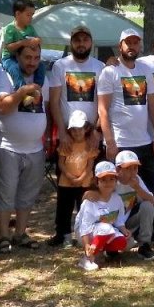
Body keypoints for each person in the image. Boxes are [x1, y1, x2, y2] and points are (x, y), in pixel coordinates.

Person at [48, 23, 106, 245]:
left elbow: (103, 103)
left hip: (90, 134)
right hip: (68, 136)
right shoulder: (59, 66)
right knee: (65, 185)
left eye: (85, 40)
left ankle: (87, 229)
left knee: (88, 184)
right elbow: (54, 101)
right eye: (77, 40)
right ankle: (62, 232)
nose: (81, 44)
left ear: (91, 42)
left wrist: (97, 131)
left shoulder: (100, 67)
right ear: (71, 43)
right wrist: (61, 132)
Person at [0, 43, 52, 252]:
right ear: (17, 57)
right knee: (6, 193)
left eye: (36, 58)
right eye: (28, 57)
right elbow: (1, 107)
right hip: (8, 147)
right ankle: (3, 236)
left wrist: (49, 137)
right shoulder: (4, 76)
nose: (32, 62)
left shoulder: (43, 78)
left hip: (35, 147)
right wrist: (22, 91)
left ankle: (20, 233)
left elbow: (48, 108)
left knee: (27, 194)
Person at [99, 29, 154, 190]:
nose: (132, 46)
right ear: (119, 46)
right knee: (120, 191)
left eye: (135, 43)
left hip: (144, 142)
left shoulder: (145, 70)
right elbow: (103, 110)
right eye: (128, 43)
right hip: (120, 142)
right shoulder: (109, 72)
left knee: (150, 189)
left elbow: (153, 105)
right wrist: (110, 142)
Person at [74, 161, 131, 271]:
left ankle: (99, 251)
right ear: (96, 182)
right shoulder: (91, 200)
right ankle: (87, 258)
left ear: (116, 181)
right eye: (103, 179)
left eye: (111, 179)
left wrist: (124, 231)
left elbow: (118, 220)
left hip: (104, 232)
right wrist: (86, 245)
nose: (108, 183)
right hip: (85, 233)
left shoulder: (117, 198)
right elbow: (84, 226)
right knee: (106, 227)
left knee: (124, 242)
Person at [54, 110, 98, 247]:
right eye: (73, 130)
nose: (77, 133)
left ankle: (83, 235)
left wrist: (81, 178)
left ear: (86, 129)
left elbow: (90, 165)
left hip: (84, 183)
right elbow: (60, 163)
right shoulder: (66, 144)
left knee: (84, 209)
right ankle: (64, 235)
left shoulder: (90, 145)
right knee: (64, 209)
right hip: (66, 183)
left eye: (80, 130)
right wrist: (69, 176)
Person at [114, 150, 154, 260]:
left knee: (147, 205)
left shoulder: (137, 179)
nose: (133, 172)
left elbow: (151, 200)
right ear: (118, 169)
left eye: (135, 168)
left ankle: (144, 245)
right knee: (126, 245)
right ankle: (110, 248)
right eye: (128, 168)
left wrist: (137, 188)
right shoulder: (112, 182)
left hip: (128, 222)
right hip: (113, 224)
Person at [0, 0, 40, 67]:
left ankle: (38, 78)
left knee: (41, 67)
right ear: (18, 14)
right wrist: (22, 43)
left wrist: (37, 40)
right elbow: (9, 47)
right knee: (15, 68)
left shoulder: (30, 28)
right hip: (10, 58)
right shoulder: (10, 28)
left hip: (25, 58)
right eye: (28, 15)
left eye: (32, 15)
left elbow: (38, 39)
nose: (31, 17)